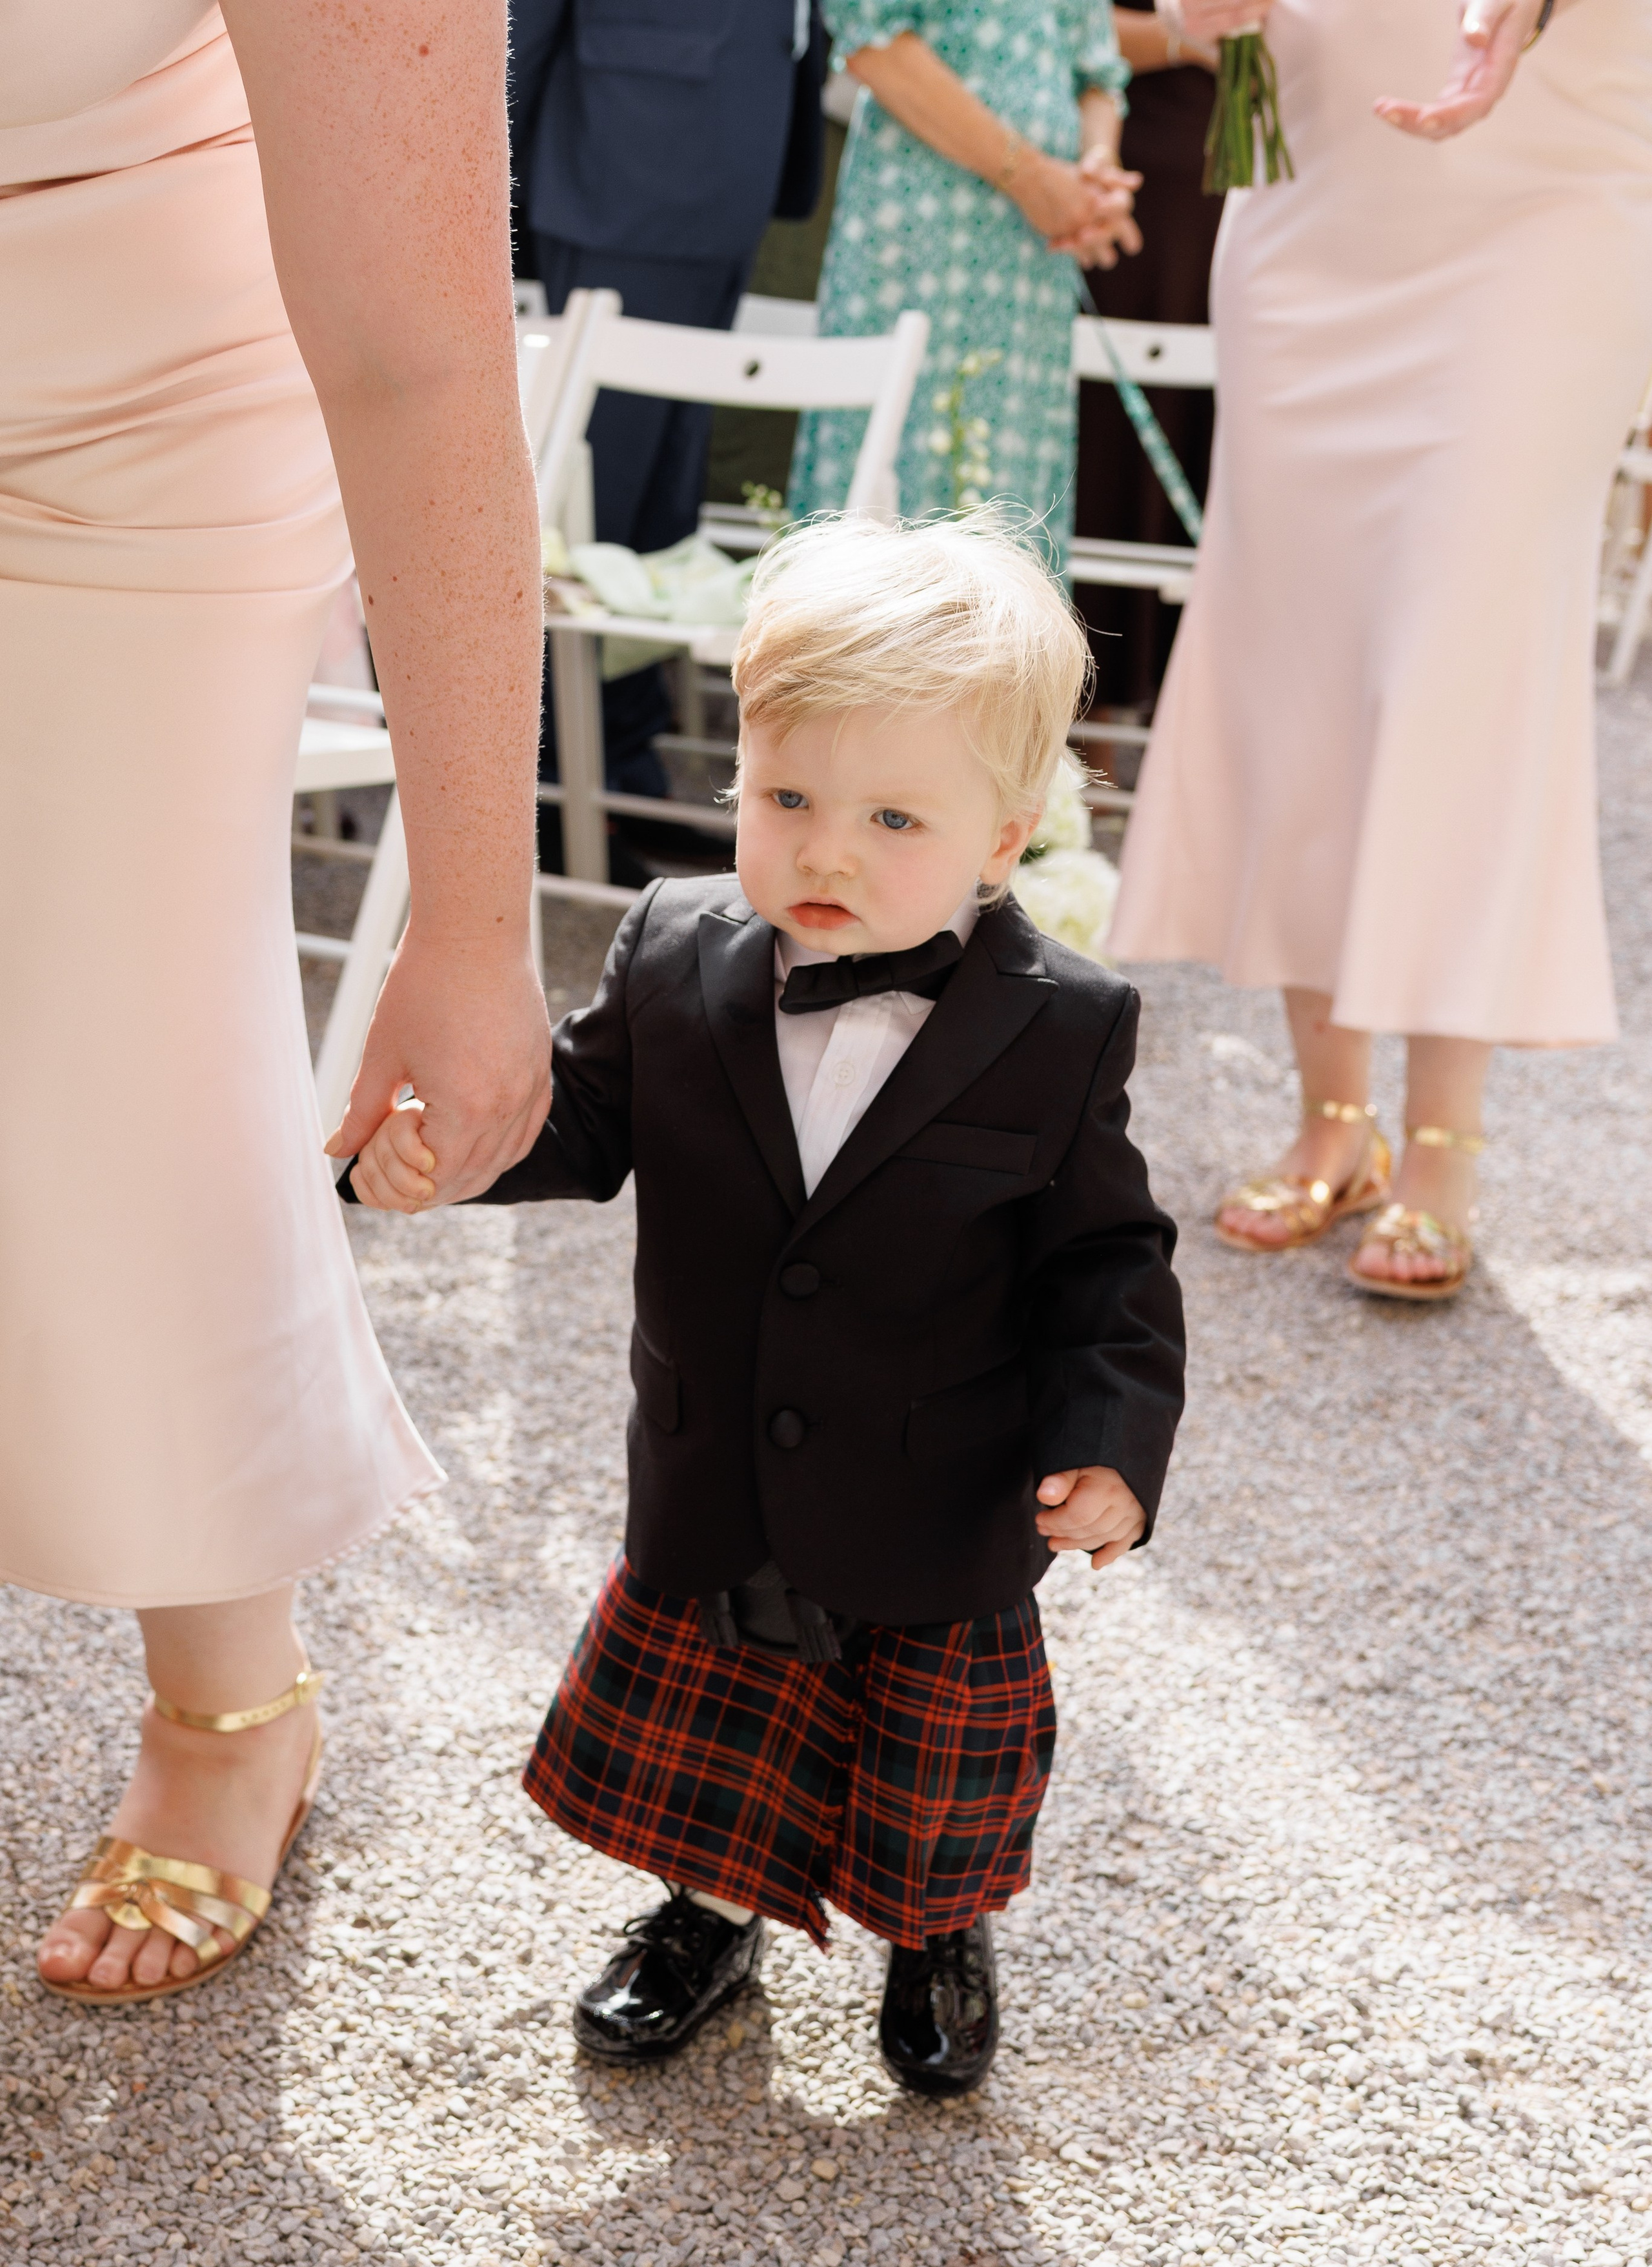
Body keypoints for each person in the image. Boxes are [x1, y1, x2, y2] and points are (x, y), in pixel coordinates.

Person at [348, 513, 1185, 2093]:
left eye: (889, 816)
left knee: (926, 1769)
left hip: (938, 1491)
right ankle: (703, 1914)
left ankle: (934, 1935)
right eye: (785, 796)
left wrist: (1115, 1446)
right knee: (719, 1740)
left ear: (1002, 838)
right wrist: (450, 1152)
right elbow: (582, 1120)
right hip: (719, 1466)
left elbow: (1106, 1262)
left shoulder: (1061, 1025)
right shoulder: (676, 949)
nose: (824, 850)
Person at [15, 0, 551, 2004]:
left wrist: (479, 924)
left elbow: (416, 354)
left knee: (114, 1031)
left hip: (120, 416)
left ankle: (230, 1701)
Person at [1109, 0, 1652, 1301]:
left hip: (1548, 192)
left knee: (1467, 662)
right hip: (1312, 200)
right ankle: (1329, 1118)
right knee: (1299, 667)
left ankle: (1440, 1145)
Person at [509, 0, 829, 858]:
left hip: (734, 148)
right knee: (586, 511)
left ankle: (621, 767)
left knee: (660, 510)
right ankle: (541, 793)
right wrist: (486, 176)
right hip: (623, 153)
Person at [789, 2, 1143, 554]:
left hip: (1031, 257)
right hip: (921, 233)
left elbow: (1098, 75)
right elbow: (872, 42)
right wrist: (1030, 178)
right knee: (888, 487)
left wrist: (1094, 176)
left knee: (1012, 502)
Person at [1076, 0, 1222, 709]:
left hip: (1253, 190)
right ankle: (1089, 708)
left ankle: (1193, 705)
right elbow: (1073, 30)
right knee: (1113, 455)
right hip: (1142, 190)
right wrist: (1192, 40)